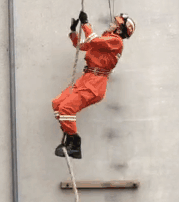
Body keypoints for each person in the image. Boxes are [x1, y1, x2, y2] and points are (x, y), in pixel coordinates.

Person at [52, 11, 136, 159]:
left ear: (120, 29)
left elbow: (94, 40)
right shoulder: (105, 40)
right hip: (86, 79)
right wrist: (73, 31)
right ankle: (70, 136)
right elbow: (81, 45)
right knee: (57, 103)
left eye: (116, 24)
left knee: (66, 109)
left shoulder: (116, 42)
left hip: (95, 84)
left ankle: (75, 145)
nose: (112, 24)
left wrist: (85, 24)